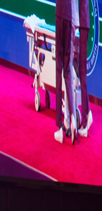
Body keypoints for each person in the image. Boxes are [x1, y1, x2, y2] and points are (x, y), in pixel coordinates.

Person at [54, 0, 78, 143]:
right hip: (69, 18)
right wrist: (74, 23)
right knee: (68, 71)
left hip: (60, 14)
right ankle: (72, 118)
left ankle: (59, 127)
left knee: (59, 69)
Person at [77, 0, 93, 137]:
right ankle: (87, 112)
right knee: (80, 71)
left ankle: (85, 122)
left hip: (82, 24)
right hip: (81, 23)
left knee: (82, 72)